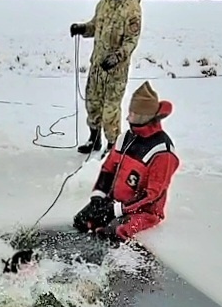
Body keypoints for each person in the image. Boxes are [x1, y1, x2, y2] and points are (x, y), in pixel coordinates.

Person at [73, 81, 179, 243]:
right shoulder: (126, 138)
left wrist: (116, 210)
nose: (128, 118)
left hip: (143, 211)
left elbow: (151, 194)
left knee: (109, 234)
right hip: (114, 202)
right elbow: (108, 169)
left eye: (134, 115)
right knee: (82, 221)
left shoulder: (162, 152)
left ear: (145, 117)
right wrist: (98, 198)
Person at [70, 0, 142, 154]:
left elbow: (131, 40)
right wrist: (81, 28)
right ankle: (94, 140)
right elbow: (95, 26)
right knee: (92, 103)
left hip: (115, 70)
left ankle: (113, 147)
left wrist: (117, 57)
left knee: (110, 110)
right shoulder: (103, 3)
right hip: (97, 66)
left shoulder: (132, 7)